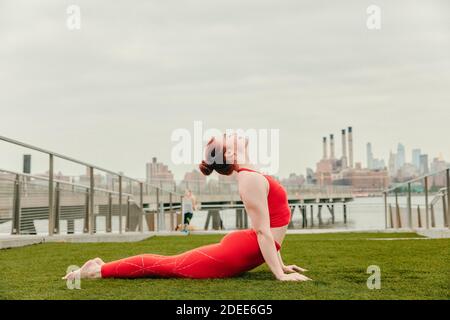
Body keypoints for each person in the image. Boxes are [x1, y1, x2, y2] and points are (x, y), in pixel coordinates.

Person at [63, 133, 310, 281]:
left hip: (243, 248)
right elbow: (263, 231)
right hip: (235, 253)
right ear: (232, 152)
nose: (233, 132)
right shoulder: (249, 179)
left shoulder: (252, 174)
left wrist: (282, 264)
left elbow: (271, 226)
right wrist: (279, 274)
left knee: (168, 262)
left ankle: (100, 267)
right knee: (168, 265)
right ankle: (97, 271)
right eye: (228, 135)